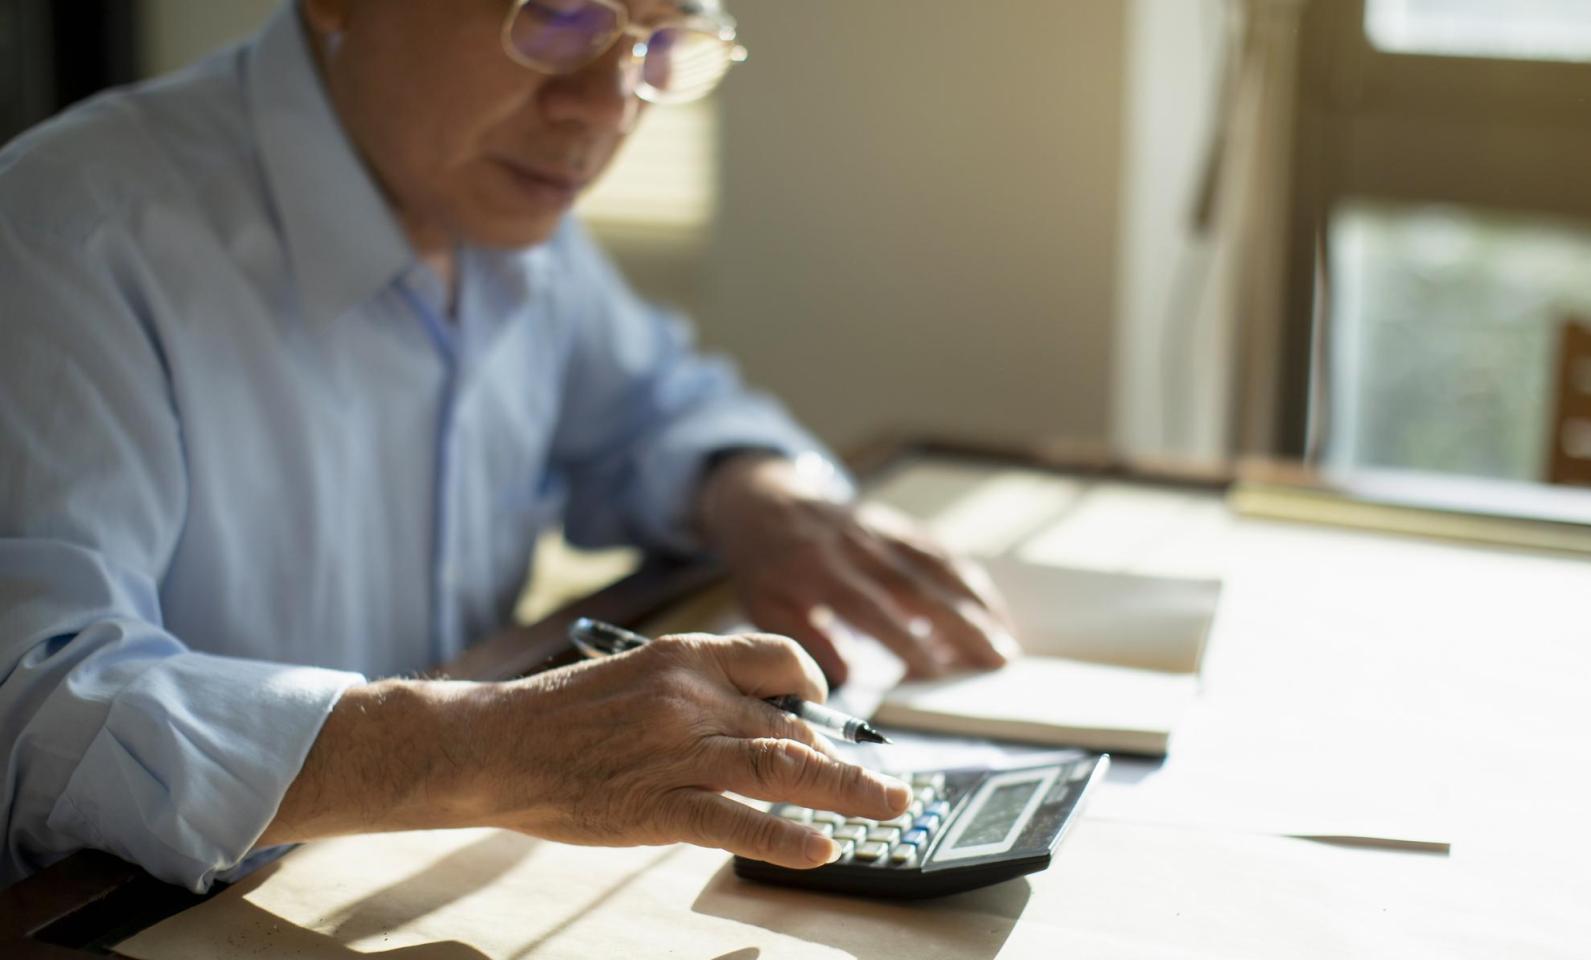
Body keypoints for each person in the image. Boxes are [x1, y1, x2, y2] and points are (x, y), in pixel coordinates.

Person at [0, 0, 1016, 892]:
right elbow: (34, 705)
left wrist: (757, 494)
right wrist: (480, 747)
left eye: (659, 41)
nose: (608, 106)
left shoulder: (490, 197)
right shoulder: (65, 238)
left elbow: (657, 405)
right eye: (556, 16)